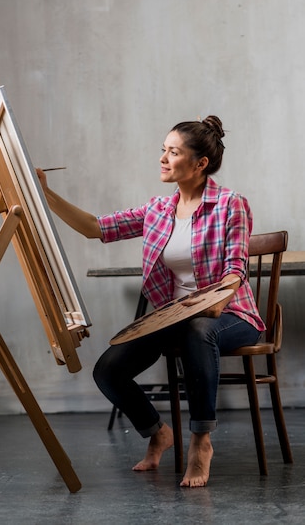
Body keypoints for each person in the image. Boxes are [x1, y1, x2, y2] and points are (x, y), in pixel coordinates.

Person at [36, 116, 264, 487]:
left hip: (231, 315)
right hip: (174, 318)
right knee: (108, 369)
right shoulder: (158, 209)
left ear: (199, 163)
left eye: (173, 152)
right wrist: (44, 193)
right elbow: (97, 228)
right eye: (163, 149)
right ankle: (157, 432)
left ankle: (201, 443)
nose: (162, 158)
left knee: (199, 329)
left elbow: (235, 267)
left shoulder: (230, 205)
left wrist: (218, 299)